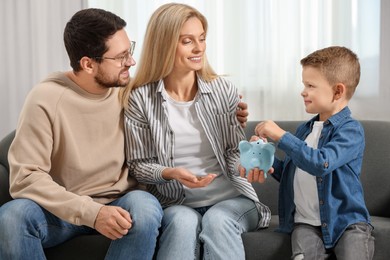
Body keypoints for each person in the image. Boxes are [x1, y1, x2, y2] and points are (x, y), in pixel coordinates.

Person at [0, 8, 165, 260]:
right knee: (12, 217)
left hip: (120, 204)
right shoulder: (46, 98)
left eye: (129, 50)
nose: (131, 61)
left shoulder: (130, 91)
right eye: (121, 56)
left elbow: (181, 106)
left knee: (144, 206)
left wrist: (231, 113)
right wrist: (92, 213)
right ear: (88, 64)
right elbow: (26, 177)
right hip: (61, 211)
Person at [120, 3, 271, 260]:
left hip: (231, 198)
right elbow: (139, 164)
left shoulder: (223, 90)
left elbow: (233, 151)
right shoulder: (140, 98)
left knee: (218, 220)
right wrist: (170, 173)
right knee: (181, 223)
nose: (199, 48)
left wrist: (246, 166)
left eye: (201, 39)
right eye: (187, 41)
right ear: (165, 44)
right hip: (176, 203)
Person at [243, 46, 374, 259]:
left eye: (311, 85)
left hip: (347, 222)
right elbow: (291, 170)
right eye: (304, 85)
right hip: (305, 225)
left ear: (338, 91)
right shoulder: (305, 130)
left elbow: (321, 163)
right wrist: (263, 157)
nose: (303, 91)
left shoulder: (351, 130)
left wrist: (281, 136)